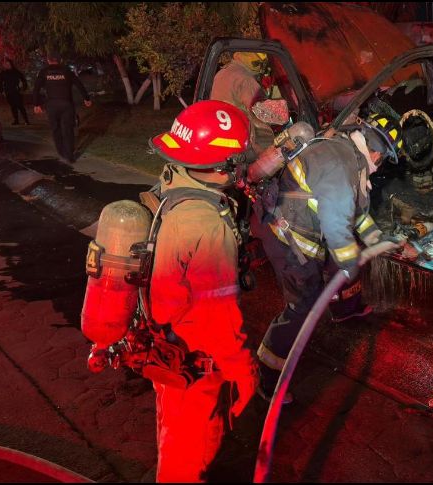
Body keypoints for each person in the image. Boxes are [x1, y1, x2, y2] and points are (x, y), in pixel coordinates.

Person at [254, 114, 403, 402]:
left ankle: (342, 309)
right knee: (302, 307)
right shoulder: (341, 167)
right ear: (376, 154)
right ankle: (268, 376)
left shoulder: (343, 152)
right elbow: (337, 227)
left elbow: (356, 214)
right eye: (382, 160)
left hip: (294, 235)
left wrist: (376, 239)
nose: (378, 166)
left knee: (316, 290)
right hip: (287, 242)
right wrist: (351, 263)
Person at [147, 100, 259, 482]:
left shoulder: (173, 186)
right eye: (236, 159)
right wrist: (244, 371)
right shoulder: (206, 223)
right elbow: (219, 317)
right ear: (222, 165)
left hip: (168, 349)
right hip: (193, 360)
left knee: (175, 438)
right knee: (187, 454)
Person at [32, 51, 92, 163]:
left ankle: (61, 152)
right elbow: (79, 84)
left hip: (52, 105)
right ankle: (69, 155)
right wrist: (86, 98)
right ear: (59, 60)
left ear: (48, 60)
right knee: (68, 130)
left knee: (56, 129)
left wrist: (36, 104)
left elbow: (36, 88)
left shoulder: (44, 72)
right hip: (66, 104)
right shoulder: (66, 71)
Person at [210, 51, 273, 156]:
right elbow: (262, 113)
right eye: (257, 63)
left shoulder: (222, 73)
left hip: (220, 133)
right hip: (242, 139)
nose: (261, 67)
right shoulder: (245, 79)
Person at [0, 58, 29, 125]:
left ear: (11, 64)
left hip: (16, 91)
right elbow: (0, 83)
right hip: (8, 92)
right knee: (13, 106)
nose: (7, 65)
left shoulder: (16, 72)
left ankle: (26, 120)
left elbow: (23, 80)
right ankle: (16, 120)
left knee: (20, 106)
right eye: (5, 64)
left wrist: (23, 88)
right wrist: (1, 91)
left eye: (8, 64)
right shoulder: (3, 73)